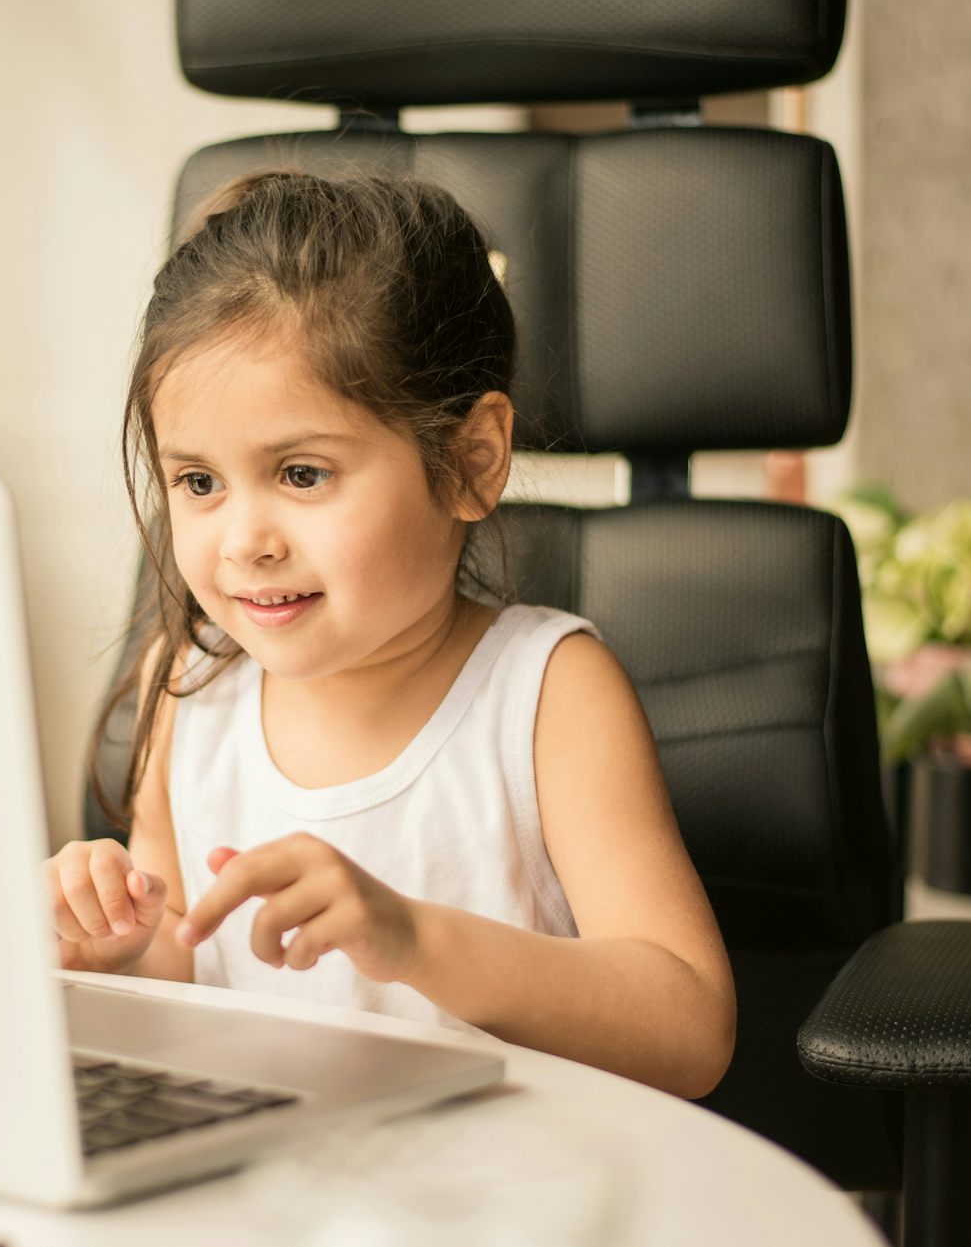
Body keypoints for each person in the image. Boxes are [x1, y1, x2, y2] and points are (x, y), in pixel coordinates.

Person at [49, 169, 733, 1099]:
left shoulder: (548, 694)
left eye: (300, 473)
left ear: (470, 463)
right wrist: (114, 948)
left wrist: (412, 938)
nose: (244, 540)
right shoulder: (191, 683)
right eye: (198, 482)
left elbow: (688, 1025)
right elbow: (185, 957)